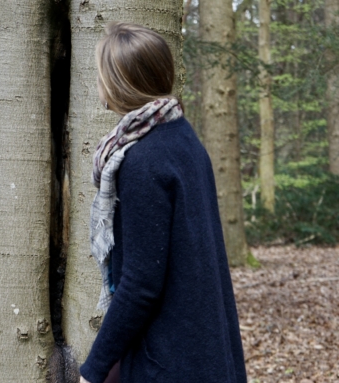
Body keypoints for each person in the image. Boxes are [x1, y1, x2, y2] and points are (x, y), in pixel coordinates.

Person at [79, 22, 247, 383]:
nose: (98, 82)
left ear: (119, 82)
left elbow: (141, 284)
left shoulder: (142, 161)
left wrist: (93, 370)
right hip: (203, 350)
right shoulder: (184, 138)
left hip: (172, 361)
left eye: (101, 74)